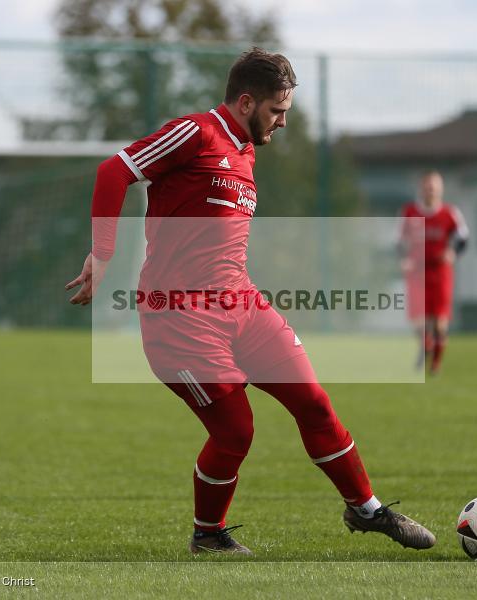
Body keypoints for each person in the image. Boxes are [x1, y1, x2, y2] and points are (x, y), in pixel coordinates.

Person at [66, 48, 435, 555]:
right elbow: (114, 171)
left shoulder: (246, 149)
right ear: (245, 101)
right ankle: (208, 535)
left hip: (242, 305)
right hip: (180, 318)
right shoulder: (196, 133)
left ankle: (367, 510)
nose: (283, 121)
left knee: (314, 403)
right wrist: (103, 255)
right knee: (236, 430)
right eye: (277, 110)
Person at [400, 171, 469, 375]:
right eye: (428, 186)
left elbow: (463, 238)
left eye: (435, 186)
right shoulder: (410, 212)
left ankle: (435, 363)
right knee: (418, 321)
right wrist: (404, 259)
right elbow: (399, 240)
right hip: (417, 273)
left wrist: (452, 251)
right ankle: (425, 346)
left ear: (441, 189)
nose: (431, 189)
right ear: (422, 188)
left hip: (440, 273)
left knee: (439, 323)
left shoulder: (449, 213)